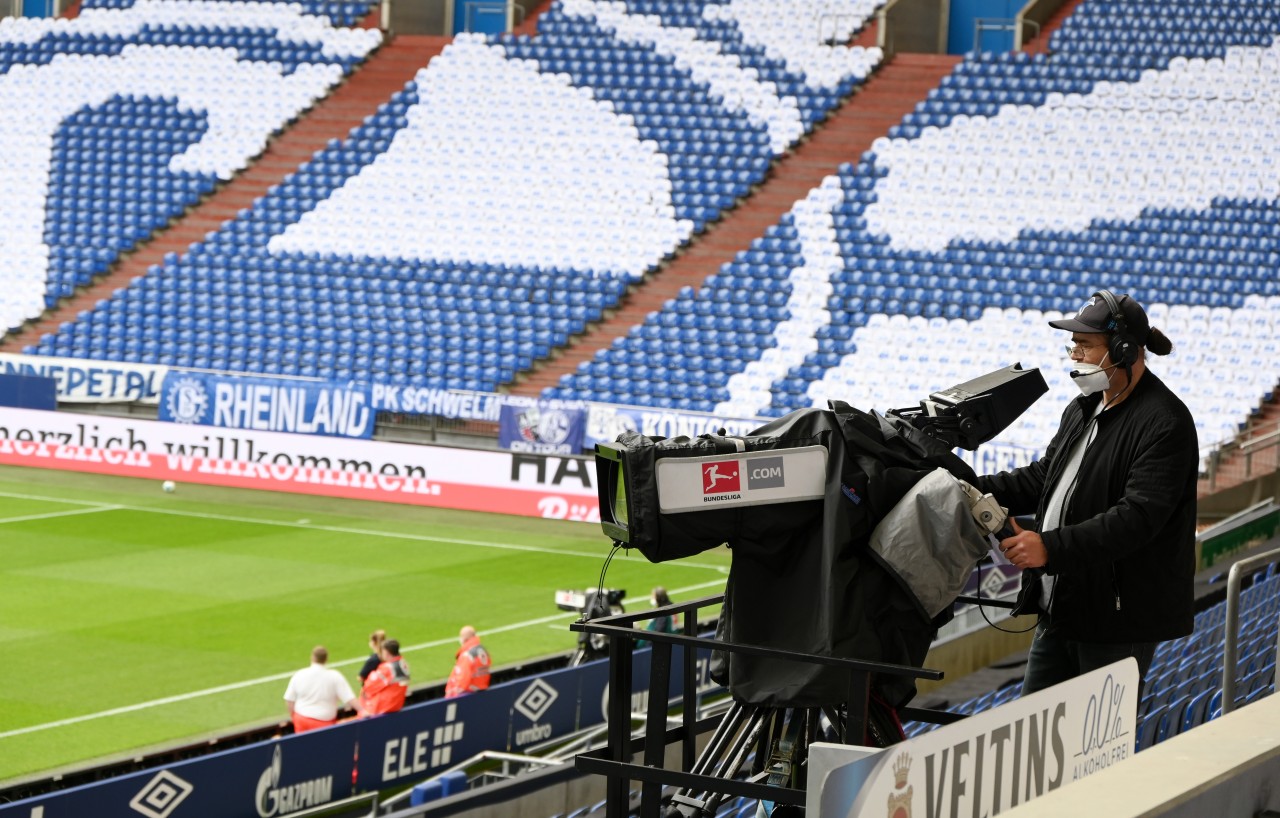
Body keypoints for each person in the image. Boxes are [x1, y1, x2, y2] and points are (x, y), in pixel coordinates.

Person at [977, 290, 1198, 695]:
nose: (1075, 355)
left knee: (1098, 753)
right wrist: (974, 488)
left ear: (1124, 350)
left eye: (1085, 345)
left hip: (1116, 623)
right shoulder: (1082, 408)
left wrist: (1050, 548)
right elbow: (1044, 478)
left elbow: (1136, 518)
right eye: (1073, 345)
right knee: (1035, 742)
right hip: (1061, 610)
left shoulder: (1165, 423)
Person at [283, 646, 357, 733]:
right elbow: (349, 698)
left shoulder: (299, 674)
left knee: (303, 745)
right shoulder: (334, 676)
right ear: (326, 659)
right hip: (324, 722)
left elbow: (289, 700)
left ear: (312, 657)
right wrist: (363, 711)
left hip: (301, 720)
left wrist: (294, 717)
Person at [361, 639, 411, 716]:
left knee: (363, 696)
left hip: (382, 708)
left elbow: (369, 687)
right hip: (397, 705)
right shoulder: (404, 664)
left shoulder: (386, 668)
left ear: (386, 652)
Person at [445, 626, 492, 698]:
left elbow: (463, 677)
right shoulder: (483, 650)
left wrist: (454, 694)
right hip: (482, 689)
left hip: (469, 693)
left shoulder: (467, 655)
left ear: (464, 638)